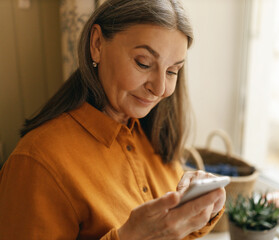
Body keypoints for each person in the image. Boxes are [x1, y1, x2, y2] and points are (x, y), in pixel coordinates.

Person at [0, 0, 226, 239]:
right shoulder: (37, 162)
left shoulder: (152, 134)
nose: (160, 88)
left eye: (172, 71)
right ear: (97, 44)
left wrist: (202, 208)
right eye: (143, 63)